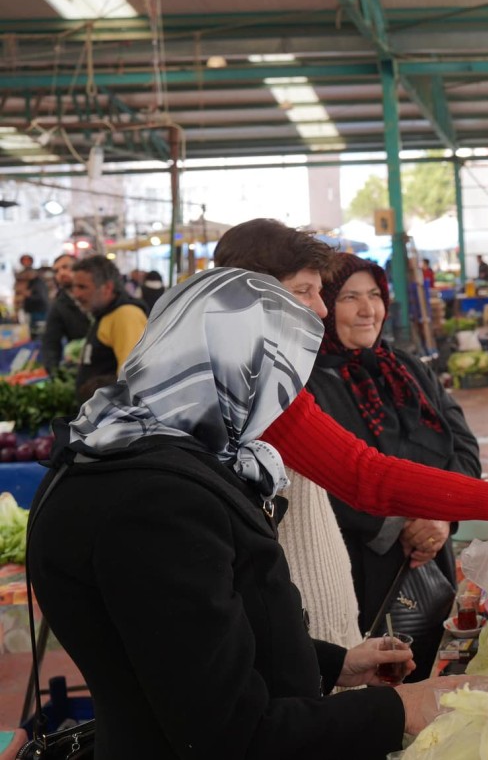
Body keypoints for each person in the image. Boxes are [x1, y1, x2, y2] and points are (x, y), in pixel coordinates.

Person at [28, 268, 454, 759]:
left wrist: (334, 664)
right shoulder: (155, 503)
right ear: (233, 369)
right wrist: (404, 708)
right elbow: (232, 732)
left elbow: (184, 650)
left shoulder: (118, 450)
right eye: (276, 377)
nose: (284, 403)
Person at [210, 220, 488, 641]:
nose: (320, 308)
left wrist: (443, 515)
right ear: (250, 295)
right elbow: (364, 475)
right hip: (319, 582)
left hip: (328, 593)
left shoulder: (391, 367)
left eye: (370, 295)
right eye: (306, 292)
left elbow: (455, 443)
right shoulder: (264, 384)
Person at [308, 254, 480, 680]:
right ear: (326, 306)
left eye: (374, 296)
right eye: (350, 297)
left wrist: (442, 515)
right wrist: (402, 525)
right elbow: (323, 478)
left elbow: (464, 448)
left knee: (420, 664)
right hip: (360, 563)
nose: (369, 310)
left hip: (430, 558)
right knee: (367, 679)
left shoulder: (407, 368)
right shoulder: (307, 381)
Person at [69, 255, 148, 401]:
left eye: (82, 287)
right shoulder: (105, 314)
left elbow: (133, 380)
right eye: (74, 287)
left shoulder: (126, 315)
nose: (76, 294)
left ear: (107, 287)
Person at [40, 253, 89, 374]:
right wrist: (53, 373)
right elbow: (51, 341)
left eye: (66, 267)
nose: (61, 273)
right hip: (85, 366)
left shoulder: (99, 292)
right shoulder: (59, 305)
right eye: (57, 271)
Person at [14, 253, 47, 334]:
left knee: (38, 332)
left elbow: (41, 297)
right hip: (27, 310)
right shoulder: (20, 277)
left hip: (38, 310)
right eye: (24, 261)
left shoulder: (37, 280)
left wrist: (28, 295)